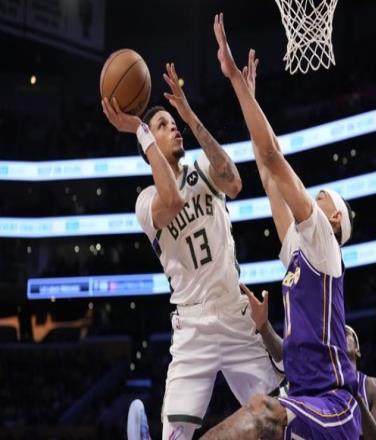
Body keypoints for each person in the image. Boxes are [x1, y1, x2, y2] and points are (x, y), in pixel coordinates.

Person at [101, 61, 280, 440]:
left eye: (172, 123)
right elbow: (174, 200)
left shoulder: (202, 167)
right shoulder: (146, 202)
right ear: (148, 144)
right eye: (162, 125)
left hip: (234, 312)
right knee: (176, 435)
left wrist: (189, 115)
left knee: (278, 420)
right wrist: (140, 129)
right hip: (193, 325)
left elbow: (234, 183)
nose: (173, 128)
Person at [201, 13, 359, 439]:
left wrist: (235, 80)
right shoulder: (297, 251)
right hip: (301, 396)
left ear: (334, 218)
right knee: (261, 411)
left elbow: (274, 159)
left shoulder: (323, 240)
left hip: (332, 402)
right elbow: (268, 174)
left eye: (321, 196)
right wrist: (251, 101)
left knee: (262, 411)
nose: (313, 196)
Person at [240, 283, 376, 440]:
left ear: (357, 349)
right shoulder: (319, 377)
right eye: (336, 333)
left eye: (345, 332)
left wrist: (357, 400)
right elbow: (284, 353)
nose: (339, 335)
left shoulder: (370, 386)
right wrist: (263, 326)